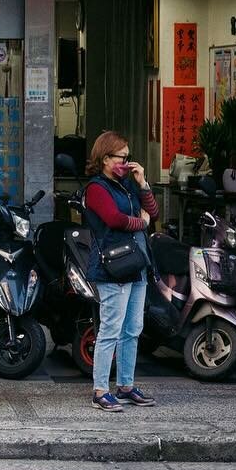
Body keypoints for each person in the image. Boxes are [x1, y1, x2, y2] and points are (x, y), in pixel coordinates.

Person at [84, 130, 160, 413]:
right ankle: (100, 390)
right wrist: (141, 222)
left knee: (133, 330)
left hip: (137, 266)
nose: (126, 164)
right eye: (121, 158)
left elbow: (154, 212)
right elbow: (114, 220)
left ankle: (126, 385)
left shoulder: (127, 186)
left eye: (128, 158)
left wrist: (143, 184)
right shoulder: (97, 189)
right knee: (110, 330)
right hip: (113, 268)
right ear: (105, 158)